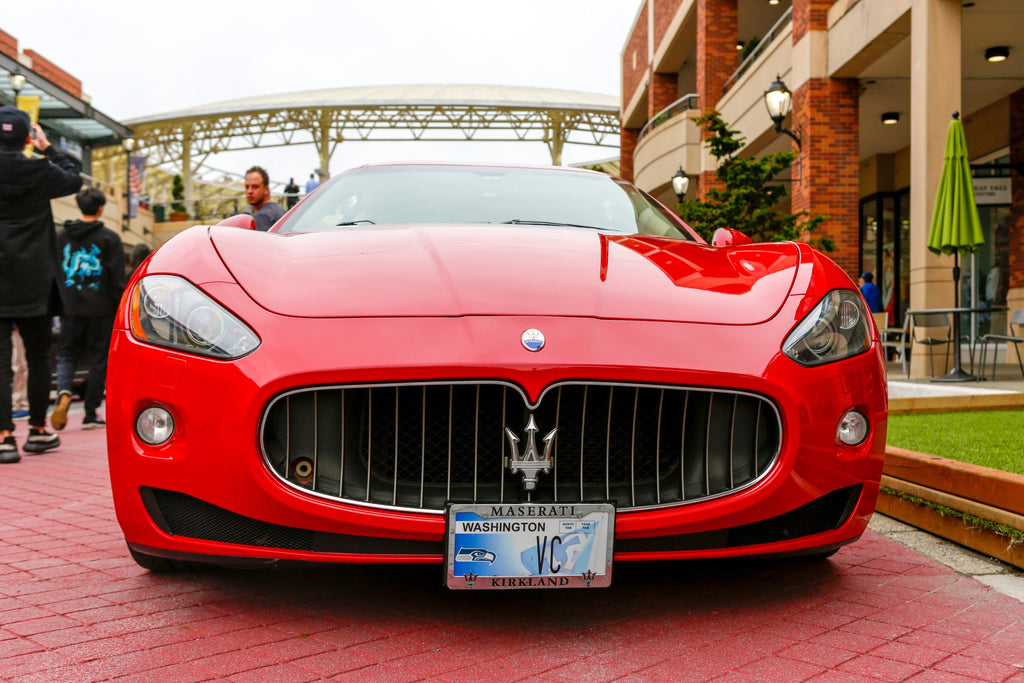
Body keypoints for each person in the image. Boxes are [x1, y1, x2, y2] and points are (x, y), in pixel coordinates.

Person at [0, 105, 82, 462]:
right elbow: (74, 176)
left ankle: (4, 438)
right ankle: (36, 431)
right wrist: (46, 146)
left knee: (0, 361)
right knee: (37, 357)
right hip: (36, 280)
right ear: (27, 138)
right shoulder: (40, 169)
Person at [50, 186, 126, 431]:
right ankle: (90, 413)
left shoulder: (60, 235)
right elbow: (116, 278)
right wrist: (119, 306)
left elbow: (55, 271)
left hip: (69, 307)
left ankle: (63, 389)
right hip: (101, 309)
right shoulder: (109, 238)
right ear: (101, 208)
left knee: (67, 354)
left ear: (79, 206)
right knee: (98, 358)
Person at [244, 165, 285, 231]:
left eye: (255, 187)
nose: (249, 191)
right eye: (247, 187)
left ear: (266, 189)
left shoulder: (262, 216)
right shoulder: (281, 211)